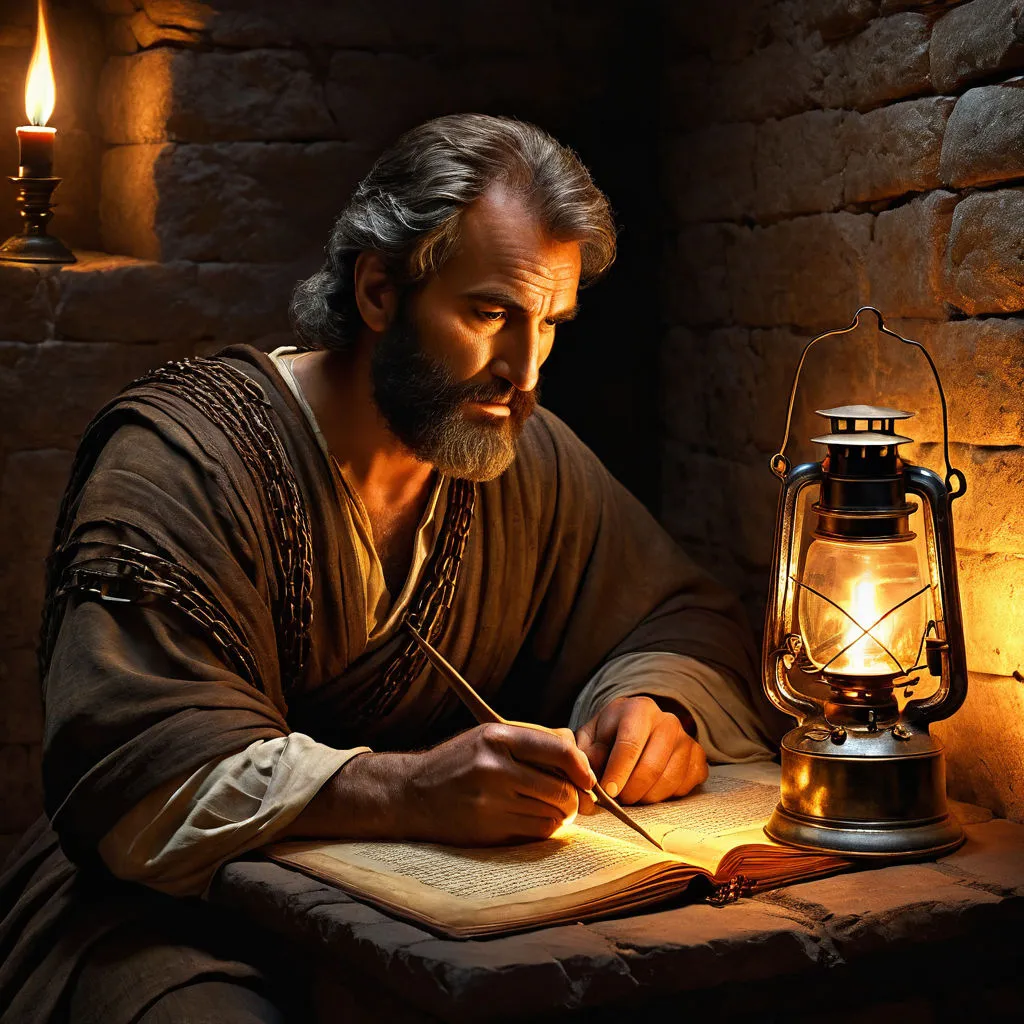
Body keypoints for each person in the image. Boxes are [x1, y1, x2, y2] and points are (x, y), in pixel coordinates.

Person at [0, 114, 778, 1023]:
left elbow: (679, 617)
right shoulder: (181, 460)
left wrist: (655, 703)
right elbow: (136, 779)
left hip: (419, 913)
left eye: (550, 324)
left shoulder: (528, 458)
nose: (524, 371)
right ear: (378, 291)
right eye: (490, 314)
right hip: (164, 915)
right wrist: (409, 790)